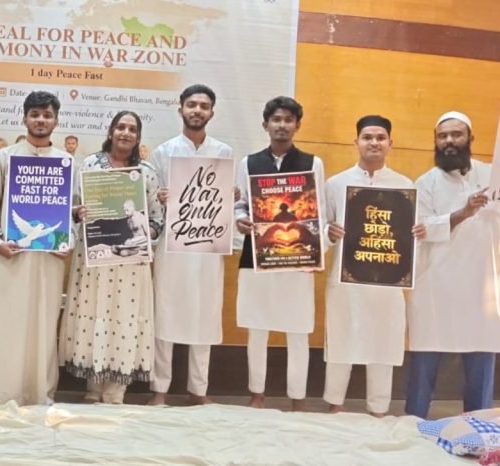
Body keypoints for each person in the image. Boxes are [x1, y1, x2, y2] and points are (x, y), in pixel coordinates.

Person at [405, 111, 500, 418]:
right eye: (443, 136)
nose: (449, 141)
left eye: (456, 134)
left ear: (470, 138)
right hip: (437, 286)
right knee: (425, 359)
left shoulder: (494, 176)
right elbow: (421, 229)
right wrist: (463, 212)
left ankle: (478, 425)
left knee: (481, 358)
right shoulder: (425, 183)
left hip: (482, 286)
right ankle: (413, 423)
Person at [322, 115, 425, 417]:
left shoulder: (405, 186)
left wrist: (416, 235)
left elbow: (410, 238)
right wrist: (329, 233)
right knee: (340, 338)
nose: (374, 143)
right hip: (346, 279)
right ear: (356, 142)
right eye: (368, 137)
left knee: (384, 341)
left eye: (380, 138)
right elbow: (321, 230)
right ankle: (335, 403)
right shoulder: (335, 184)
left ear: (390, 143)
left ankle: (378, 408)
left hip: (387, 280)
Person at [59, 110, 162, 403]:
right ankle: (93, 389)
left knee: (124, 316)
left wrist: (149, 233)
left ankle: (116, 392)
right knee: (96, 313)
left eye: (132, 129)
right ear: (110, 131)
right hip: (95, 258)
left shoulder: (146, 172)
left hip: (131, 263)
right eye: (120, 127)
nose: (125, 133)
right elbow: (72, 205)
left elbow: (157, 217)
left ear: (138, 137)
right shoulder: (90, 164)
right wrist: (78, 213)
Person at [0, 91, 72, 405]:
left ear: (56, 120)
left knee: (43, 328)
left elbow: (72, 212)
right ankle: (3, 394)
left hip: (49, 259)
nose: (41, 120)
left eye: (47, 115)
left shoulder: (65, 162)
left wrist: (67, 241)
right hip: (10, 256)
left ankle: (39, 395)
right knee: (6, 325)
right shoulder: (3, 158)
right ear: (24, 118)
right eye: (35, 114)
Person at [234, 96, 325, 411]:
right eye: (276, 119)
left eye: (288, 120)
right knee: (257, 327)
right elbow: (241, 205)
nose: (282, 125)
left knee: (297, 330)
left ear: (297, 125)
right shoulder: (248, 163)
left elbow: (319, 212)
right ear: (265, 125)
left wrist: (317, 253)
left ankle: (297, 399)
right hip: (257, 257)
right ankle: (257, 394)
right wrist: (240, 219)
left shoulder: (313, 163)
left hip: (298, 258)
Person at [147, 84, 233, 406]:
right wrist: (160, 196)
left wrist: (231, 195)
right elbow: (151, 201)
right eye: (192, 104)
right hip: (172, 245)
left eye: (204, 106)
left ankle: (199, 390)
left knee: (204, 314)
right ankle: (160, 390)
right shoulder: (163, 151)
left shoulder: (222, 152)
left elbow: (227, 201)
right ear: (180, 108)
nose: (197, 110)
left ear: (212, 112)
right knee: (165, 313)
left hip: (208, 247)